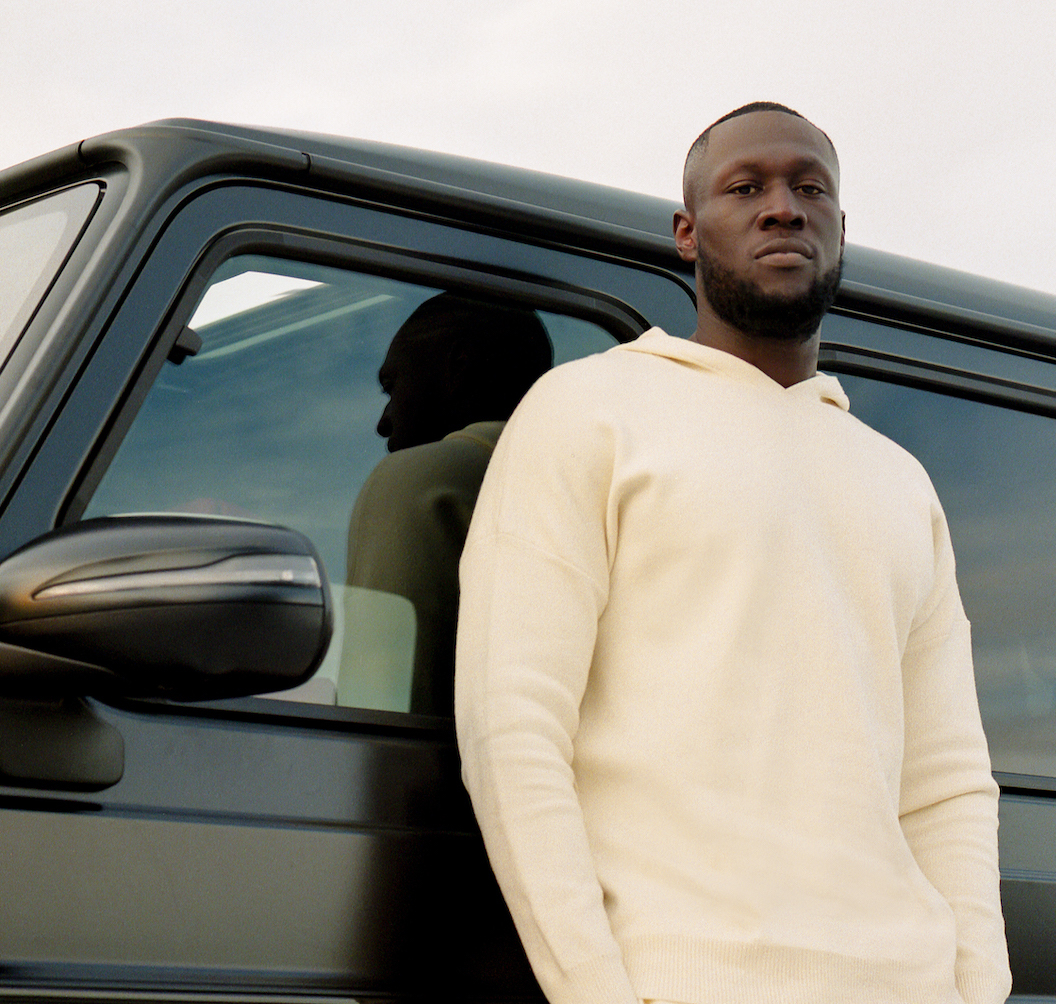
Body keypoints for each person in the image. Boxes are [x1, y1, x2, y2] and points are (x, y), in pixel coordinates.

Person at [455, 102, 1010, 1004]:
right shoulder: (586, 410)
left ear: (840, 229)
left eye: (809, 188)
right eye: (745, 187)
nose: (783, 207)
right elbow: (511, 722)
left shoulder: (900, 481)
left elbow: (946, 783)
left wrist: (977, 990)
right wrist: (594, 990)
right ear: (687, 232)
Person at [343, 292, 551, 715]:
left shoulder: (420, 481)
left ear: (457, 364)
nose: (383, 420)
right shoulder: (586, 487)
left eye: (393, 385)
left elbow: (377, 724)